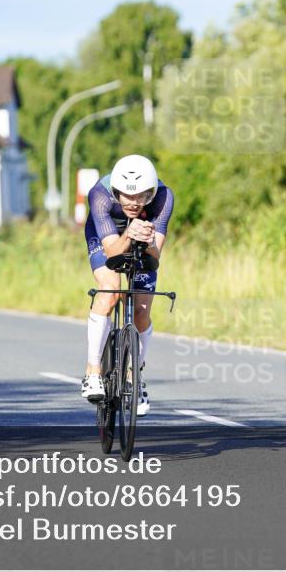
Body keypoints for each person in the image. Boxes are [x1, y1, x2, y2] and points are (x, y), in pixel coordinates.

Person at [81, 154, 174, 417]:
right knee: (111, 291)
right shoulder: (100, 194)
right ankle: (93, 371)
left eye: (142, 196)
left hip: (143, 236)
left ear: (152, 193)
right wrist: (128, 233)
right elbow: (111, 254)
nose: (134, 203)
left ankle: (135, 377)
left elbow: (155, 257)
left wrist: (148, 241)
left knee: (142, 308)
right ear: (116, 192)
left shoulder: (165, 198)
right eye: (127, 196)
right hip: (105, 235)